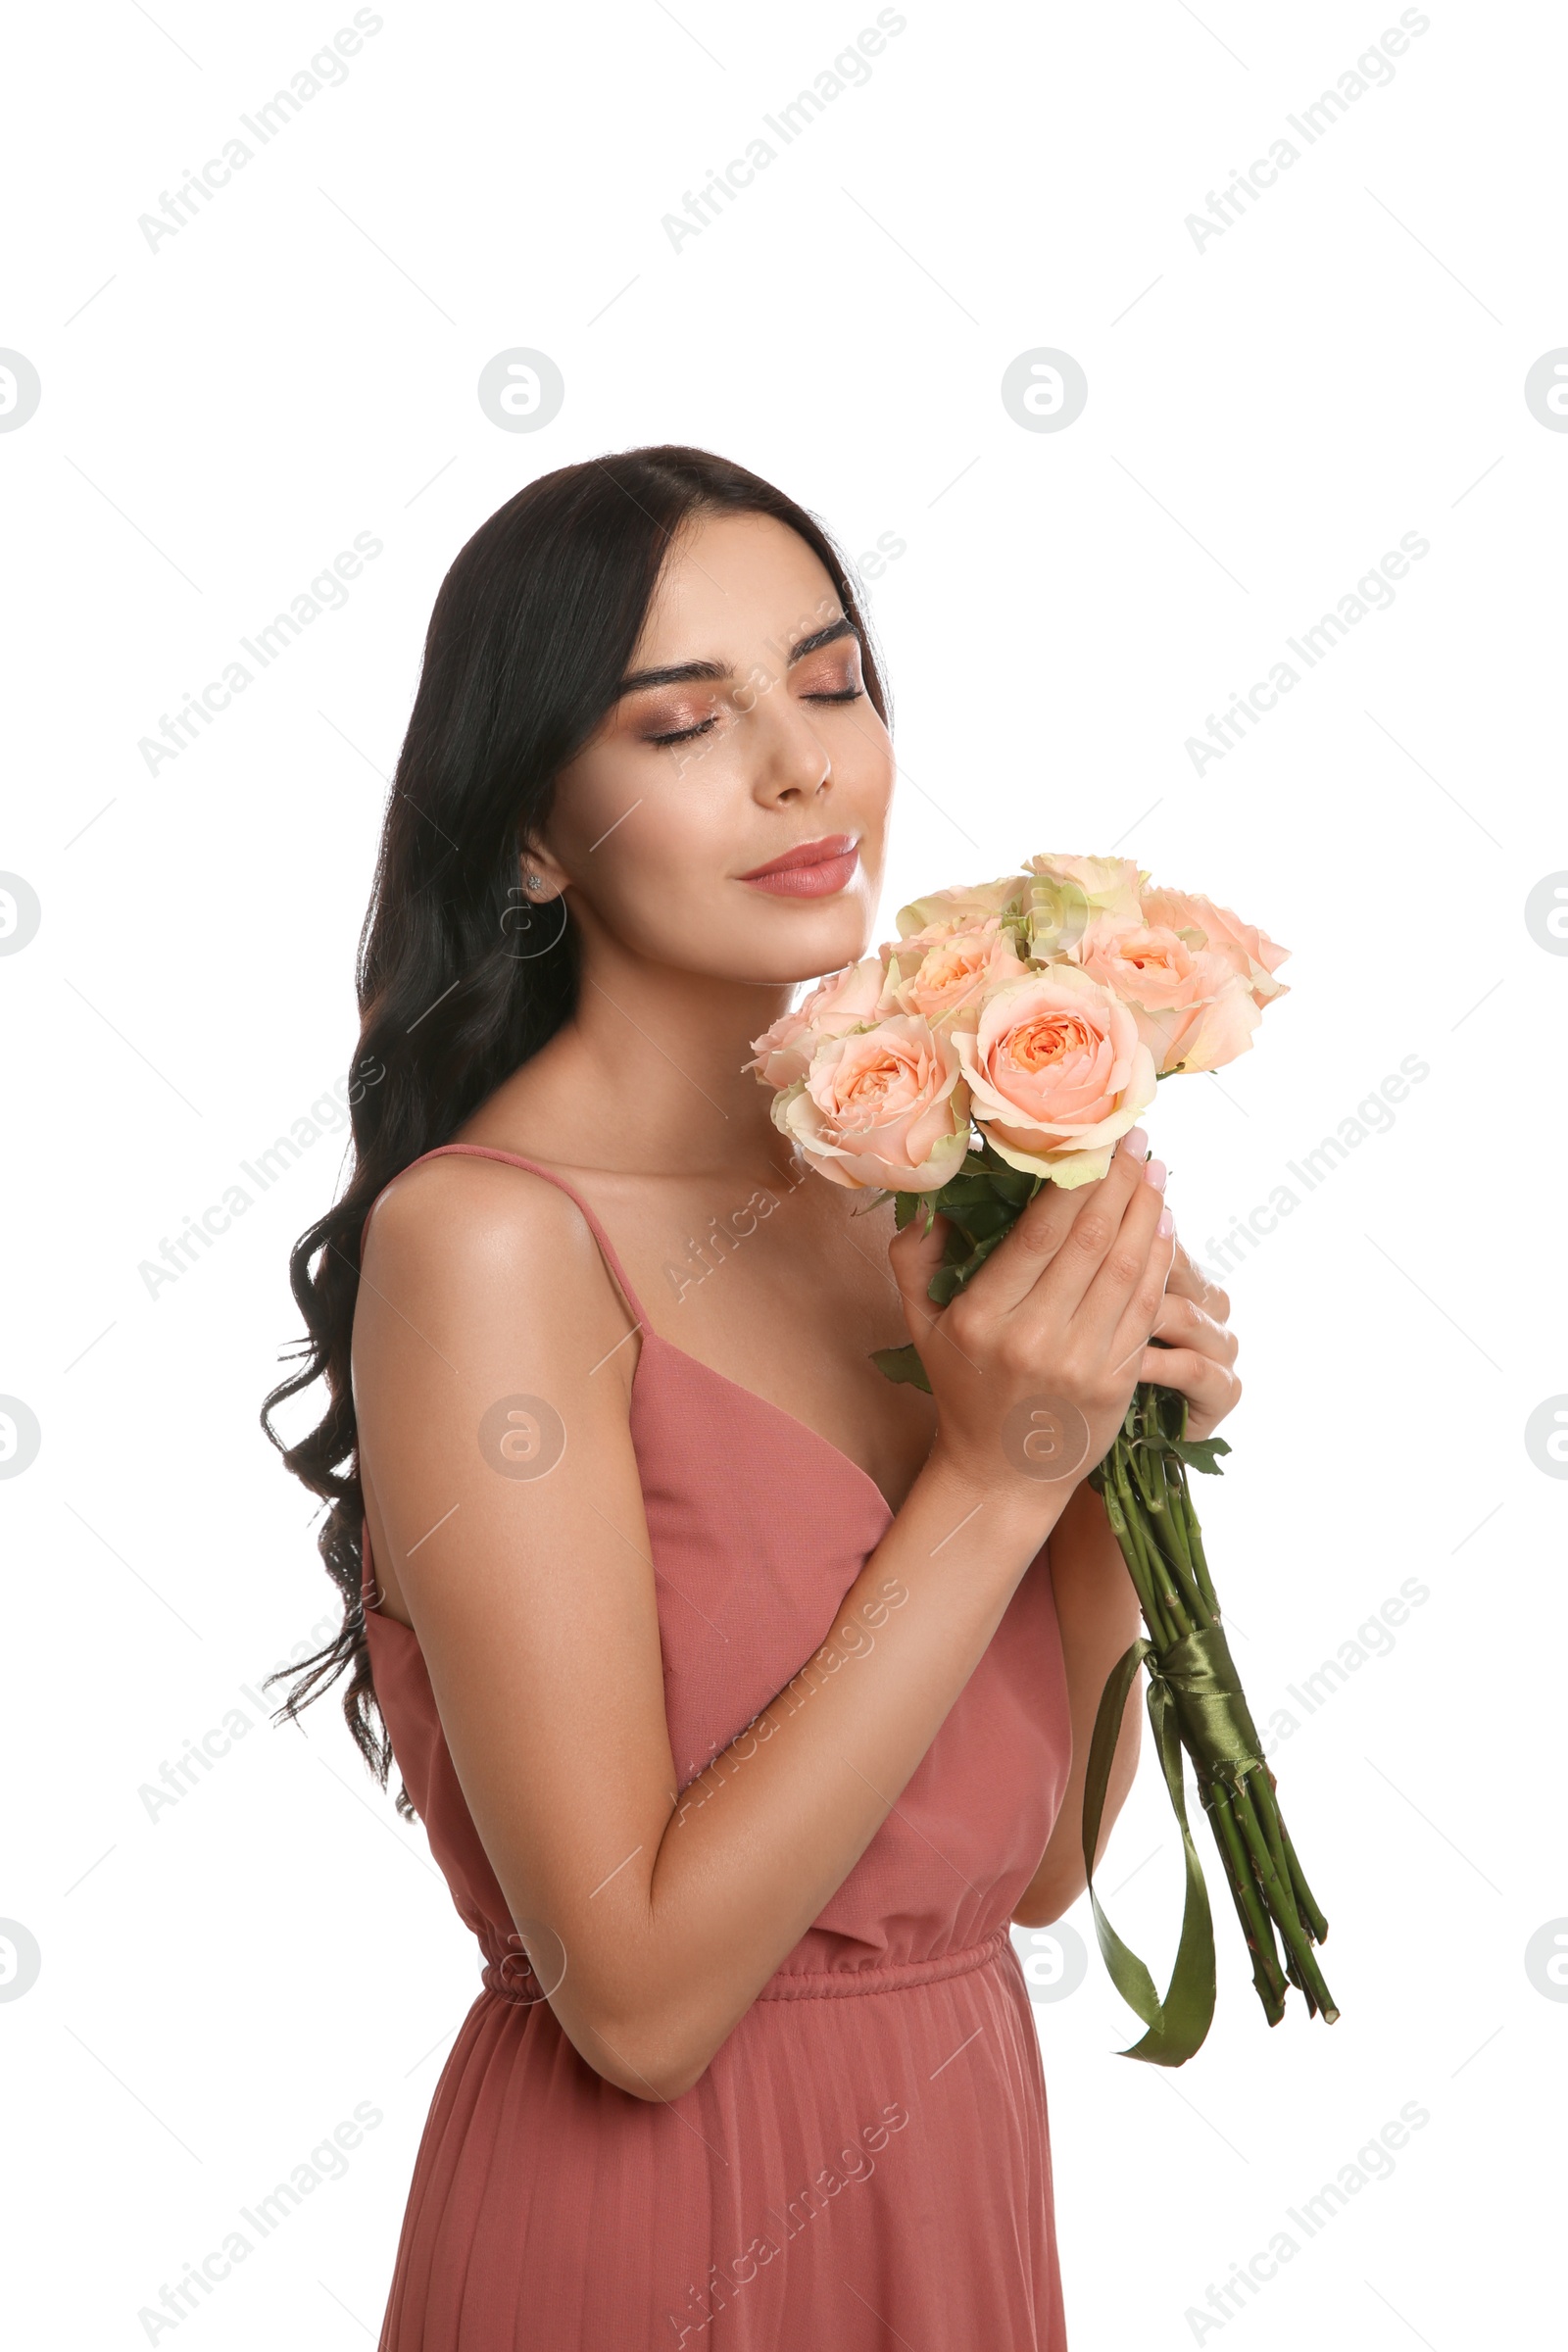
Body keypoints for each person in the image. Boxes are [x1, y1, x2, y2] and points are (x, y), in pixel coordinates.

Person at [264, 445, 1241, 2348]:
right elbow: (630, 2004)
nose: (801, 768)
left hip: (949, 2182)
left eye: (826, 680)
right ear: (532, 834)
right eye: (683, 723)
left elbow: (1030, 1875)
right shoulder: (490, 1248)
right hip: (653, 2234)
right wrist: (983, 1479)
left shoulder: (895, 1195)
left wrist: (1113, 1462)